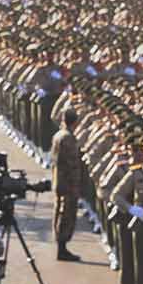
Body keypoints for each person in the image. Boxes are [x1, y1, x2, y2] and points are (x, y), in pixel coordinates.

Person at [50, 105, 86, 261]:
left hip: (59, 180)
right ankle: (62, 247)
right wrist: (76, 184)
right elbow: (72, 164)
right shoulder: (68, 138)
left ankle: (61, 246)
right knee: (67, 214)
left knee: (60, 212)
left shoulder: (58, 135)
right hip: (68, 183)